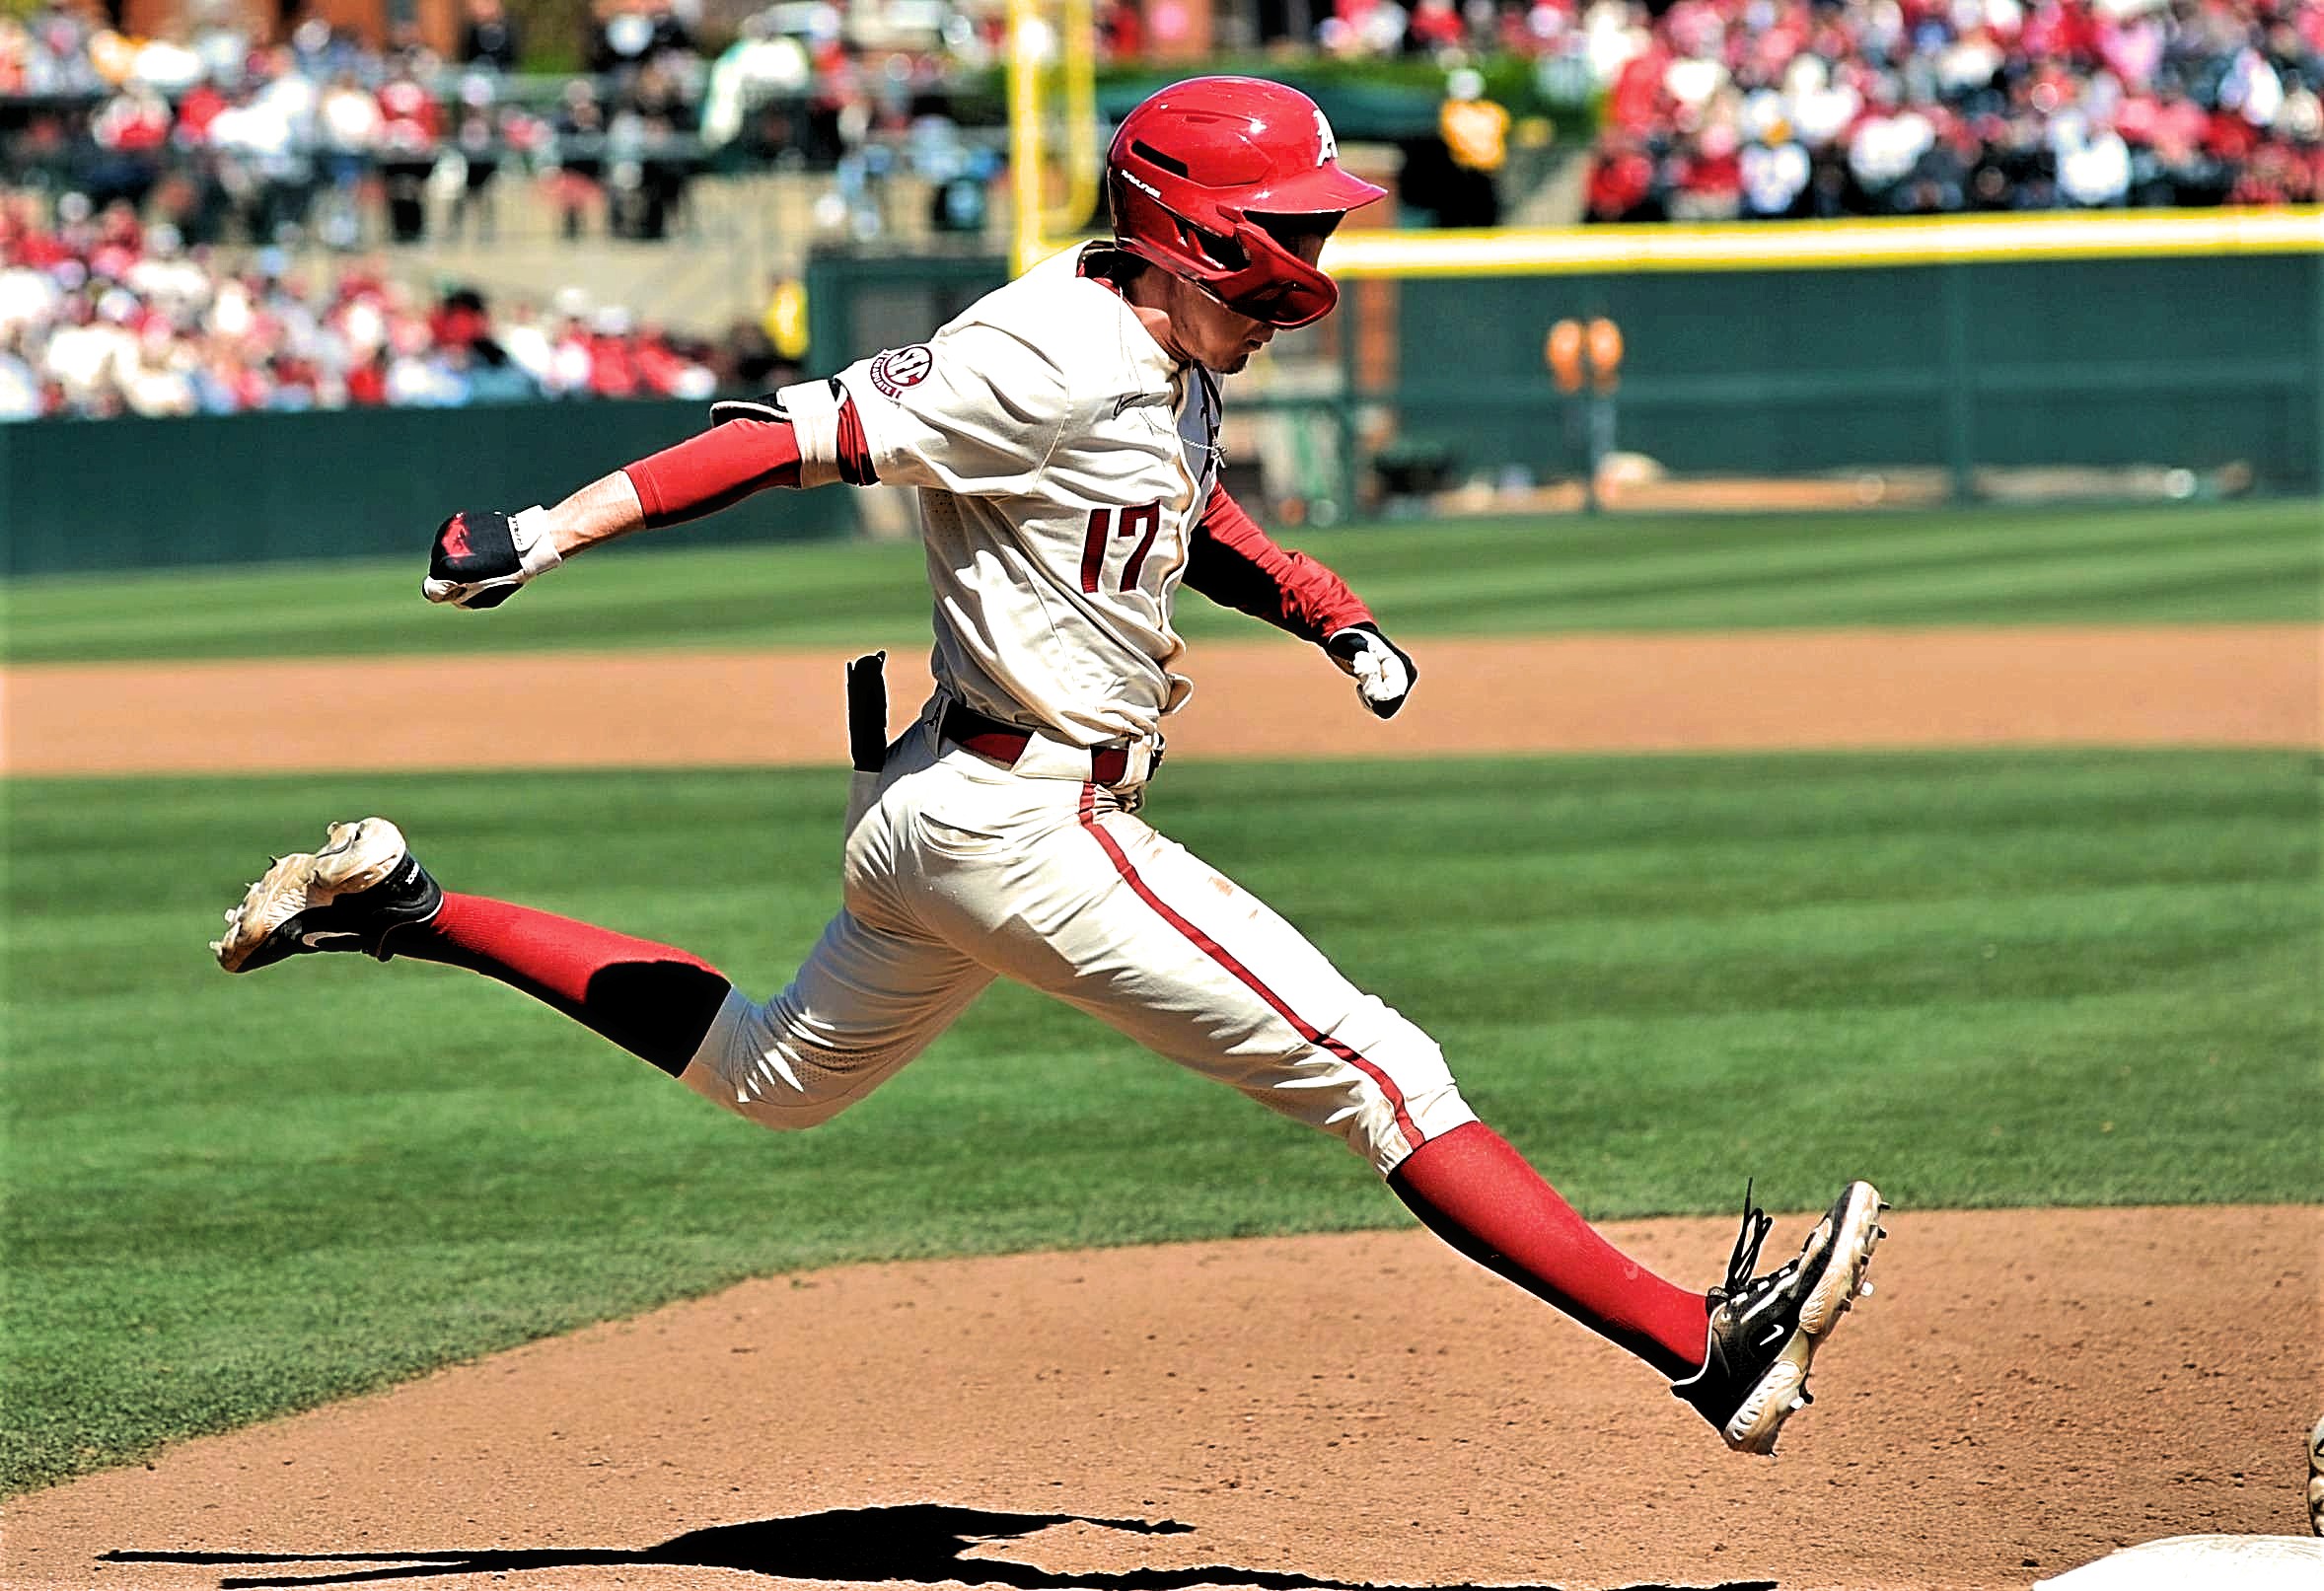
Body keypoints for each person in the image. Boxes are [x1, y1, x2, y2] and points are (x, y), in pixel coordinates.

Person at [210, 76, 1884, 1458]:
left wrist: (1319, 607)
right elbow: (787, 432)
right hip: (1024, 820)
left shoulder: (1159, 356)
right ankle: (1705, 1350)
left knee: (770, 1076)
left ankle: (406, 906)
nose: (1311, 253)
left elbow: (1172, 503)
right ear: (1196, 236)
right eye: (1289, 228)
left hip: (942, 811)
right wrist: (547, 529)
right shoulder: (1043, 349)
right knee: (1382, 1073)